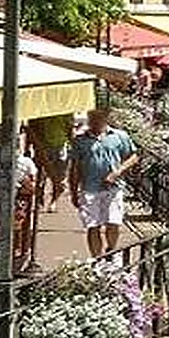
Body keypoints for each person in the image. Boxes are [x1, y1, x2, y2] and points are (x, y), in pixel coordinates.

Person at [69, 108, 139, 257]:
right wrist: (73, 191)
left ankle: (111, 250)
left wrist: (117, 172)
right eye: (92, 117)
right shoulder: (80, 141)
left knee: (113, 222)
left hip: (114, 188)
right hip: (89, 189)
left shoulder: (120, 136)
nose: (94, 121)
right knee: (92, 226)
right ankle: (97, 259)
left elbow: (133, 157)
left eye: (99, 117)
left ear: (106, 118)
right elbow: (75, 168)